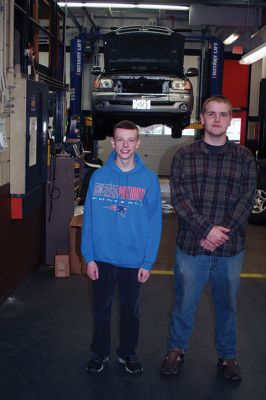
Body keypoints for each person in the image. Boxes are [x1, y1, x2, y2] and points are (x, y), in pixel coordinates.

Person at [160, 95, 257, 381]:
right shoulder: (183, 157)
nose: (216, 119)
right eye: (211, 114)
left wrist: (219, 233)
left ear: (230, 119)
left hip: (230, 249)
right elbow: (180, 200)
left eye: (223, 114)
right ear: (202, 118)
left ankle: (227, 356)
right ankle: (176, 350)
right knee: (184, 303)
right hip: (192, 247)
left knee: (227, 305)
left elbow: (246, 200)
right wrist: (207, 231)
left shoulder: (244, 158)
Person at [81, 120, 162, 374]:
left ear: (138, 143)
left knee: (131, 312)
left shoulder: (148, 180)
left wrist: (147, 262)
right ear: (112, 142)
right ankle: (100, 352)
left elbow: (155, 223)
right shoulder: (98, 177)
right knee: (101, 310)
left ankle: (128, 353)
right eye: (120, 140)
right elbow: (89, 219)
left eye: (130, 140)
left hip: (133, 260)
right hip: (102, 259)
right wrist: (89, 257)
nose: (125, 145)